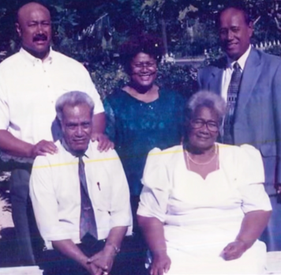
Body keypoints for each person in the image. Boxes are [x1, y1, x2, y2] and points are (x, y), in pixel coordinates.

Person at [0, 2, 110, 265]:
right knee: (35, 255)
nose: (40, 30)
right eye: (32, 24)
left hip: (78, 171)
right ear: (19, 29)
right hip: (28, 171)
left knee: (84, 248)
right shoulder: (4, 73)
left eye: (44, 23)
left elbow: (97, 111)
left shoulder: (73, 68)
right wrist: (29, 149)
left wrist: (95, 134)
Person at [137, 91, 272, 275]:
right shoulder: (164, 161)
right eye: (198, 121)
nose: (204, 129)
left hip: (233, 244)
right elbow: (149, 215)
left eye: (212, 124)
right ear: (188, 122)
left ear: (219, 128)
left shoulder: (239, 158)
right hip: (179, 248)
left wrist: (242, 243)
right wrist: (160, 253)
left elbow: (258, 209)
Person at [197, 4, 281, 251]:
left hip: (265, 176)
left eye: (235, 29)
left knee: (271, 247)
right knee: (231, 246)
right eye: (223, 31)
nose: (229, 37)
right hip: (222, 176)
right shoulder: (208, 74)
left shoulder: (274, 68)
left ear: (250, 29)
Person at [104, 34, 185, 274]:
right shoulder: (114, 103)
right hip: (131, 192)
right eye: (139, 64)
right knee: (135, 257)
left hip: (169, 191)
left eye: (150, 63)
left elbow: (187, 140)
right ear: (129, 66)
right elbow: (106, 142)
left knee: (168, 252)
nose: (145, 69)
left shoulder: (174, 101)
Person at [29, 91, 132, 275]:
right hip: (67, 253)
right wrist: (87, 263)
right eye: (71, 126)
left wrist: (108, 253)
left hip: (109, 247)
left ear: (92, 122)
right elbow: (50, 227)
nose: (79, 133)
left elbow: (122, 212)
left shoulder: (106, 154)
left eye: (85, 125)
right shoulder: (45, 162)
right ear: (61, 125)